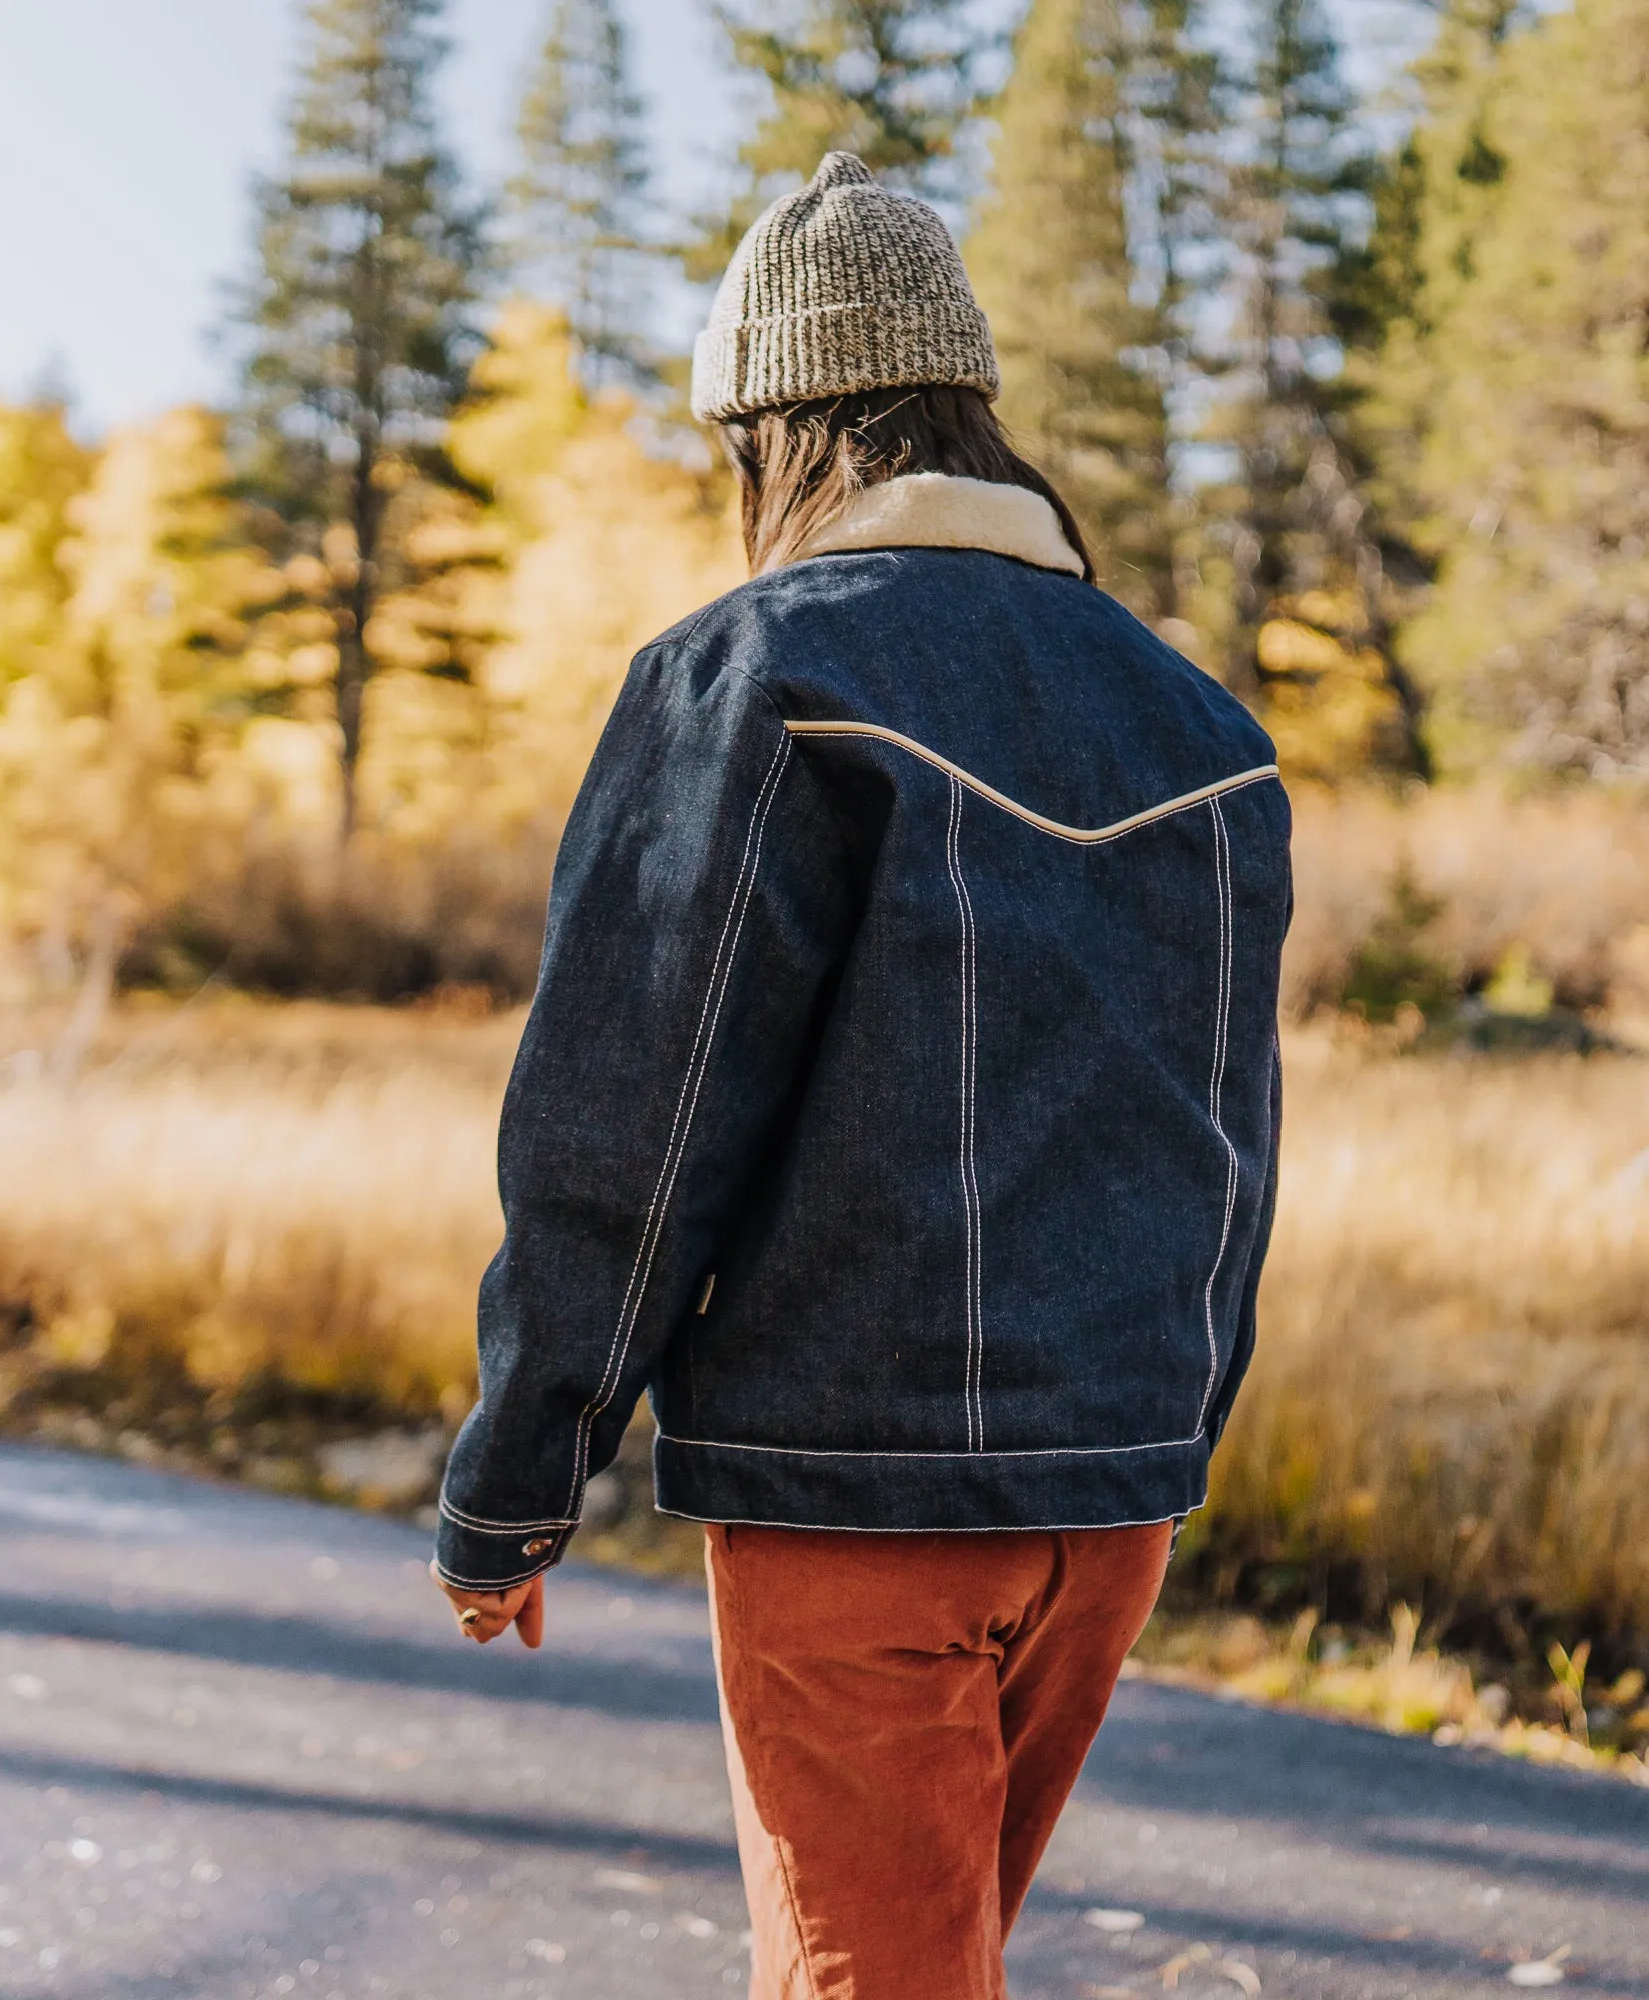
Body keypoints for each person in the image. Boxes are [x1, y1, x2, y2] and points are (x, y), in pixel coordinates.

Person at [433, 152, 1291, 2000]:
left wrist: (515, 1478)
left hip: (859, 1504)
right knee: (934, 1965)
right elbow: (1234, 1138)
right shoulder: (1203, 724)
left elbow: (629, 1127)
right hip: (1114, 1497)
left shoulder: (753, 672)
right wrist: (1169, 1425)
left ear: (772, 426)